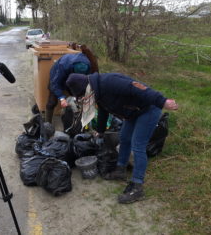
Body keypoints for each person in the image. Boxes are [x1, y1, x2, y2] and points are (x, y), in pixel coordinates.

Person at [66, 73, 178, 204]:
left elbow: (139, 88)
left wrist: (162, 101)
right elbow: (103, 111)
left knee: (138, 145)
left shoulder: (110, 82)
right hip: (132, 112)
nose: (83, 98)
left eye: (82, 95)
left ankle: (137, 186)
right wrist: (100, 131)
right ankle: (120, 170)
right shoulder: (97, 91)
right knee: (124, 138)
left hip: (149, 109)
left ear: (86, 87)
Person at [45, 45, 98, 123]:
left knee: (77, 100)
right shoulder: (63, 66)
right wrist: (62, 99)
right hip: (57, 74)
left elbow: (87, 83)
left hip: (72, 76)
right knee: (52, 102)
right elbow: (55, 83)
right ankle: (47, 124)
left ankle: (76, 122)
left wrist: (84, 96)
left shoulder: (88, 65)